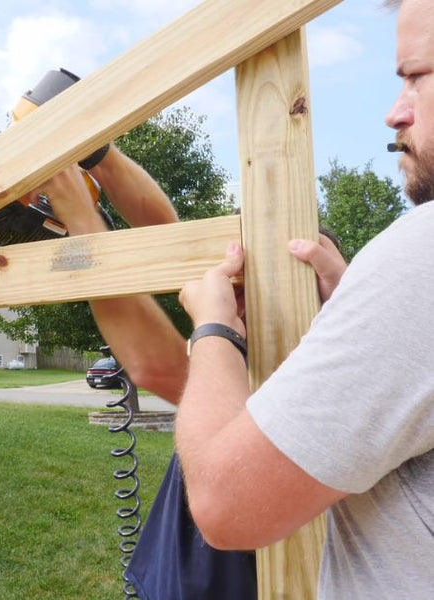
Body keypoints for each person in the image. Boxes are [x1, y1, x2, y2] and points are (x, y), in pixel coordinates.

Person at [31, 1, 433, 597]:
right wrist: (102, 161)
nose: (395, 110)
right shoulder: (345, 315)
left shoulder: (290, 344)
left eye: (417, 75)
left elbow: (160, 370)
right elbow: (174, 242)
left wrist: (86, 224)